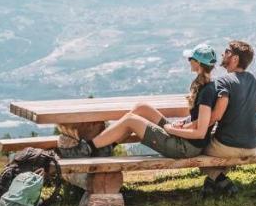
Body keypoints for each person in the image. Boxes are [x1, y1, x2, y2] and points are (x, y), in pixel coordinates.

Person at [57, 44, 221, 161]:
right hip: (184, 138)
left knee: (131, 121)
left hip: (186, 148)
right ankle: (106, 147)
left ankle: (87, 149)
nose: (188, 61)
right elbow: (198, 120)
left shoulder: (207, 92)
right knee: (142, 108)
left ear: (198, 63)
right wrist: (181, 123)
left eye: (190, 58)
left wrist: (171, 128)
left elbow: (200, 132)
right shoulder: (205, 86)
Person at [202, 40, 256, 196]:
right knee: (219, 147)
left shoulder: (223, 82)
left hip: (228, 146)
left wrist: (194, 127)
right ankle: (210, 183)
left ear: (235, 59)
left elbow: (216, 115)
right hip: (252, 145)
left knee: (195, 149)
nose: (223, 54)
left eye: (227, 52)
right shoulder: (253, 80)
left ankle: (220, 179)